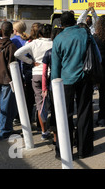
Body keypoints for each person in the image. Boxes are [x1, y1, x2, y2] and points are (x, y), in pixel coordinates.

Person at [51, 11, 94, 159]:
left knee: (65, 115)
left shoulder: (58, 39)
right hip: (85, 78)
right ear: (75, 21)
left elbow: (55, 66)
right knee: (84, 113)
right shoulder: (85, 33)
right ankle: (84, 150)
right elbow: (96, 55)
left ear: (61, 24)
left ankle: (63, 151)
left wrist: (54, 86)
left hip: (65, 81)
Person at [14, 23, 53, 140]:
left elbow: (17, 53)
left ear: (40, 33)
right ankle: (54, 127)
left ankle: (43, 130)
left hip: (36, 74)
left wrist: (31, 62)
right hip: (50, 75)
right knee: (53, 103)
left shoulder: (34, 43)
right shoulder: (54, 43)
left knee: (39, 105)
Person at [0, 21, 18, 140]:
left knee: (2, 104)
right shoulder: (10, 46)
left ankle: (5, 128)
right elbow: (12, 64)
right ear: (11, 31)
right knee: (7, 105)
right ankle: (5, 131)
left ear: (1, 31)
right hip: (7, 79)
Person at [42, 26, 63, 157]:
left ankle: (55, 138)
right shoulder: (65, 51)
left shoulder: (48, 53)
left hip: (52, 86)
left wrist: (44, 88)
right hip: (65, 84)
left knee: (54, 113)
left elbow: (44, 73)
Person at [12, 21, 35, 123]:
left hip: (18, 71)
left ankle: (18, 116)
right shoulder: (29, 39)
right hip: (29, 70)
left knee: (19, 96)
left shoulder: (13, 40)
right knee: (29, 96)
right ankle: (29, 116)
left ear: (15, 30)